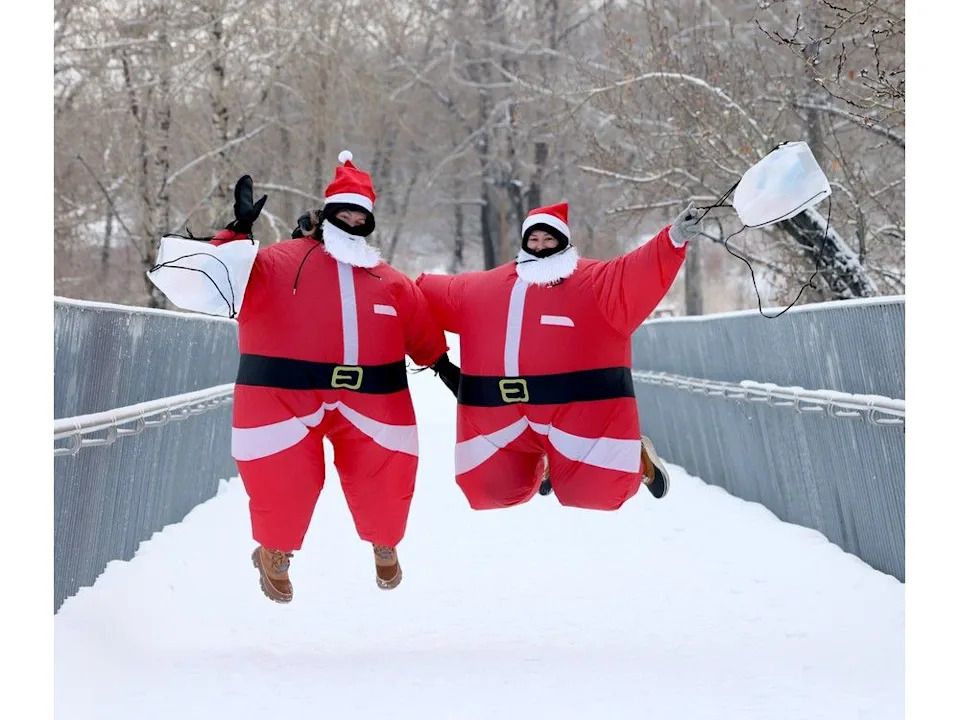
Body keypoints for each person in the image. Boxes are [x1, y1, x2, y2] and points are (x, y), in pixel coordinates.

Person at [201, 151, 450, 602]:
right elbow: (218, 281)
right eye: (345, 211)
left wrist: (444, 366)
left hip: (372, 396)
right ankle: (273, 549)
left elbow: (418, 326)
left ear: (369, 221)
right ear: (328, 215)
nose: (353, 219)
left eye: (361, 213)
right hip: (282, 394)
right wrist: (234, 236)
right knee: (286, 476)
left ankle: (384, 538)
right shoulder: (278, 263)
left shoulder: (387, 280)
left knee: (386, 468)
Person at [418, 200, 700, 513]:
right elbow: (421, 294)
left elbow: (638, 271)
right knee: (489, 489)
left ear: (563, 242)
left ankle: (637, 460)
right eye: (534, 240)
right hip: (503, 414)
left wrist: (672, 239)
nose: (540, 247)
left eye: (549, 239)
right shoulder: (485, 288)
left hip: (577, 411)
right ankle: (546, 462)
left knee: (596, 491)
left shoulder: (594, 283)